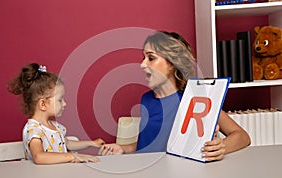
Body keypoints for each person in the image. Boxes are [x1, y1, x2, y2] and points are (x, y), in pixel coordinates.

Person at [99, 31, 251, 161]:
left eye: (151, 58)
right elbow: (150, 145)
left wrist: (221, 147)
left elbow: (242, 136)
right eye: (143, 57)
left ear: (172, 64)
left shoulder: (194, 99)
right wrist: (122, 148)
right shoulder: (146, 99)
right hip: (147, 175)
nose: (142, 64)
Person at [8, 63, 105, 164]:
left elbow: (66, 143)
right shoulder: (33, 129)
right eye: (60, 100)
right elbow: (39, 156)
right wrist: (72, 156)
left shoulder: (55, 126)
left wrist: (91, 143)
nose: (64, 104)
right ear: (43, 104)